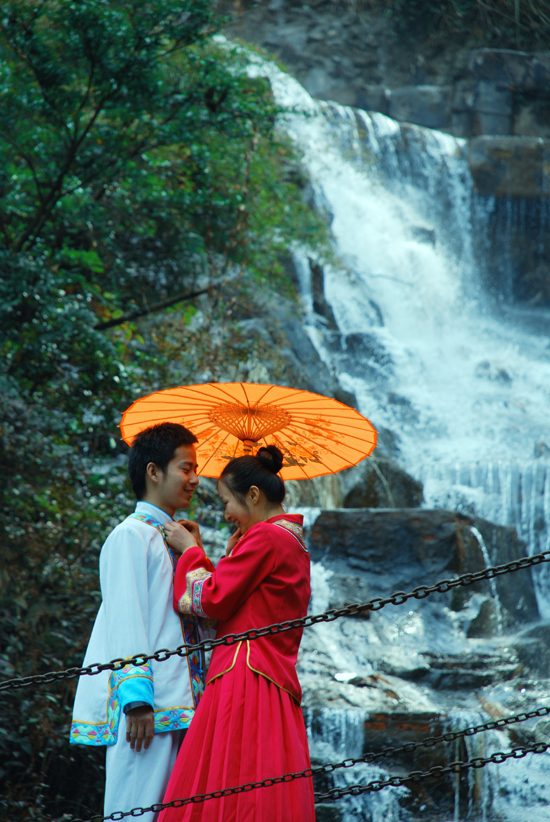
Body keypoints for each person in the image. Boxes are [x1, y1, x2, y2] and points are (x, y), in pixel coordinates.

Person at [158, 445, 315, 822]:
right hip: (271, 677)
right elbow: (243, 607)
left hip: (243, 674)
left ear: (254, 495)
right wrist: (230, 554)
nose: (226, 513)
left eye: (227, 501)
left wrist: (190, 551)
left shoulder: (267, 538)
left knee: (230, 777)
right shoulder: (292, 541)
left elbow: (210, 600)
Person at [70, 422, 210, 822]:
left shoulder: (174, 539)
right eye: (186, 468)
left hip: (181, 704)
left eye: (196, 469)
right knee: (135, 811)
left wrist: (197, 553)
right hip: (147, 710)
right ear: (153, 471)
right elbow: (126, 618)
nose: (195, 479)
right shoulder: (130, 535)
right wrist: (136, 700)